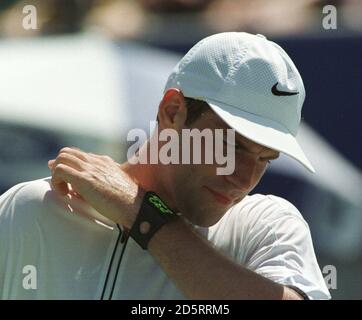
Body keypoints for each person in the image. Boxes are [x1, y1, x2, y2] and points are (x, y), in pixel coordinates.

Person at [0, 32, 330, 300]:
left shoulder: (266, 226)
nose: (244, 180)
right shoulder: (31, 209)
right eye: (231, 146)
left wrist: (142, 213)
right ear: (173, 111)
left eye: (265, 159)